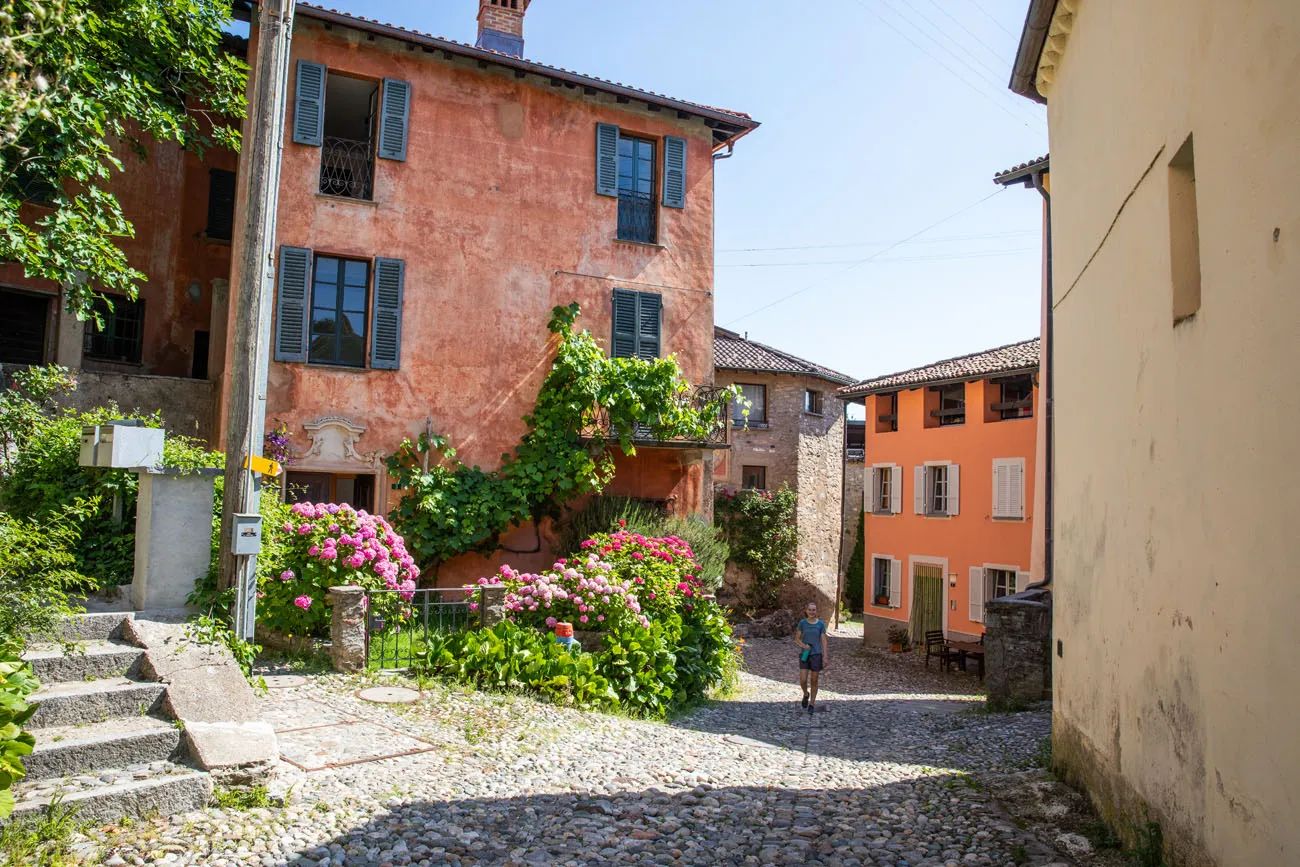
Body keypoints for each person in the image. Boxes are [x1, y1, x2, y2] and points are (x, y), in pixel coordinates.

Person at [795, 601, 828, 714]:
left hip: (816, 654)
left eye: (814, 610)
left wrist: (825, 656)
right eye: (810, 610)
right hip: (805, 654)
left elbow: (823, 641)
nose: (812, 612)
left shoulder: (820, 625)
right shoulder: (802, 623)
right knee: (803, 680)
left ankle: (812, 704)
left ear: (816, 611)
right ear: (806, 611)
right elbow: (797, 638)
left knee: (814, 680)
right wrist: (804, 645)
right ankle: (805, 694)